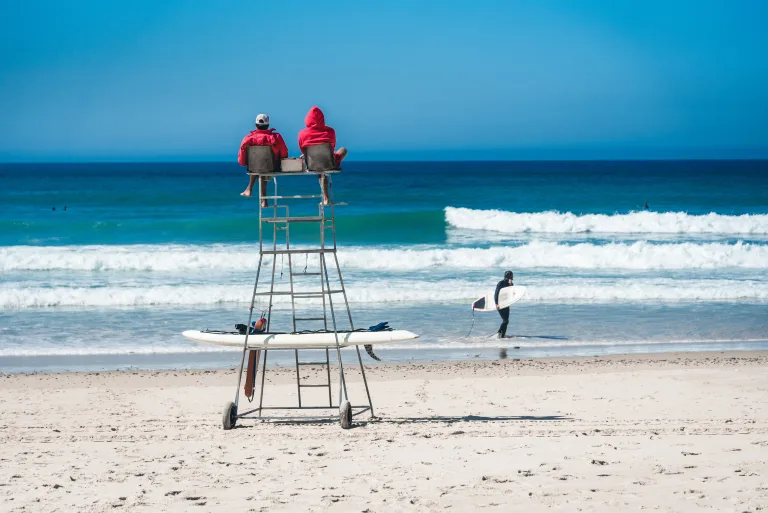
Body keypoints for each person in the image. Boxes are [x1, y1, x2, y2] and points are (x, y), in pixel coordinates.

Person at [298, 106, 348, 204]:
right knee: (343, 150)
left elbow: (302, 148)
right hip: (329, 162)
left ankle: (325, 197)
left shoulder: (302, 134)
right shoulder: (330, 131)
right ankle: (326, 198)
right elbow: (333, 146)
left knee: (320, 169)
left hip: (312, 163)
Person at [238, 113, 289, 207]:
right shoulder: (276, 137)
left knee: (257, 166)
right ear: (268, 125)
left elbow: (242, 158)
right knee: (265, 166)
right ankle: (263, 200)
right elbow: (284, 153)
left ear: (256, 125)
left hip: (254, 167)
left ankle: (250, 189)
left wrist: (244, 163)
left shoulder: (247, 139)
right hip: (272, 167)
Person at [495, 270, 514, 338]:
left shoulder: (510, 284)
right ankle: (499, 332)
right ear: (509, 276)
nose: (513, 276)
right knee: (505, 321)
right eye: (512, 275)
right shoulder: (501, 283)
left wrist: (510, 284)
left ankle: (502, 336)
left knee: (506, 321)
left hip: (506, 304)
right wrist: (496, 304)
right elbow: (496, 294)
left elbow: (512, 293)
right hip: (500, 304)